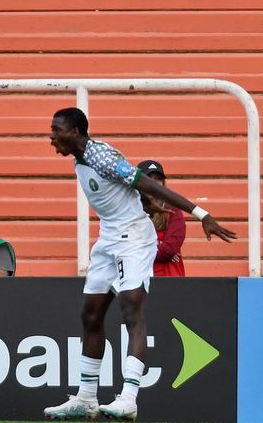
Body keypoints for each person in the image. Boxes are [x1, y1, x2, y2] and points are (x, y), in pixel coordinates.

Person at [43, 107, 236, 421]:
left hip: (134, 236)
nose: (51, 136)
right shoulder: (81, 158)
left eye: (56, 129)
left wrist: (200, 213)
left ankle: (129, 398)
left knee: (131, 308)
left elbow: (149, 185)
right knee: (90, 314)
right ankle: (86, 398)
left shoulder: (100, 158)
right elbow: (129, 191)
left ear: (76, 132)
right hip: (108, 237)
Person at [137, 160, 186, 276]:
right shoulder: (128, 210)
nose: (154, 183)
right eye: (149, 178)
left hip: (167, 280)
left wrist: (140, 249)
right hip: (137, 279)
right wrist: (158, 247)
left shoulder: (173, 211)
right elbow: (123, 247)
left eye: (158, 178)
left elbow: (169, 250)